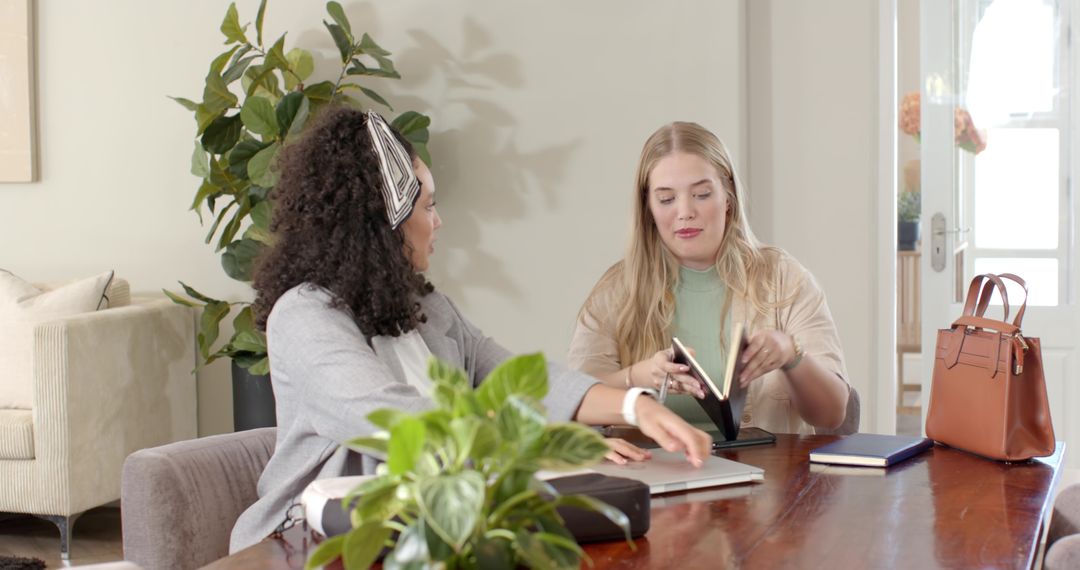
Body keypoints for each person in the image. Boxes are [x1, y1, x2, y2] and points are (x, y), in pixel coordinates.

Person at [228, 107, 711, 552]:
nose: (438, 222)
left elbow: (518, 379)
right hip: (302, 544)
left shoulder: (425, 306)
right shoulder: (304, 317)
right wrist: (548, 447)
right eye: (428, 206)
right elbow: (402, 422)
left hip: (422, 531)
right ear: (385, 220)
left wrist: (636, 406)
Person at [568, 121, 849, 435]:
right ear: (648, 208)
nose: (685, 211)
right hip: (655, 476)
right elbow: (573, 400)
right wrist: (639, 377)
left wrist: (791, 354)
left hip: (768, 478)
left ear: (727, 197)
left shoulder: (784, 278)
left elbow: (833, 414)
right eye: (666, 199)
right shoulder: (617, 291)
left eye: (701, 194)